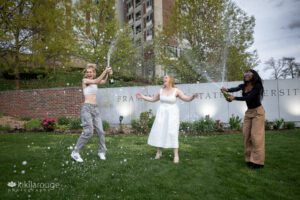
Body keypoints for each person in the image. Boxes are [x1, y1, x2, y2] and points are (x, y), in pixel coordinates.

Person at [136, 75, 197, 164]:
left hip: (172, 114)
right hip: (161, 114)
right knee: (159, 131)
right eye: (163, 78)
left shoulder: (176, 91)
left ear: (170, 80)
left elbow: (186, 98)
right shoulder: (161, 91)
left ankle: (176, 155)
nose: (164, 79)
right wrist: (142, 96)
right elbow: (153, 99)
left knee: (172, 132)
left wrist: (192, 97)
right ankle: (158, 152)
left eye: (166, 77)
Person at [221, 69, 265, 169]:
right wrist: (226, 90)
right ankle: (249, 159)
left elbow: (249, 97)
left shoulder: (257, 86)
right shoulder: (243, 86)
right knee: (246, 136)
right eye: (245, 73)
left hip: (258, 112)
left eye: (249, 73)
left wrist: (234, 98)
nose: (246, 75)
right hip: (249, 112)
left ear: (254, 75)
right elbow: (234, 88)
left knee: (256, 137)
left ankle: (258, 162)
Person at [71, 63, 112, 162]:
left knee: (101, 132)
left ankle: (101, 151)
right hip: (87, 108)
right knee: (88, 132)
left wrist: (108, 73)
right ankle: (75, 152)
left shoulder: (94, 82)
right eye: (87, 72)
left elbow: (103, 81)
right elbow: (97, 80)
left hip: (95, 108)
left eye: (91, 72)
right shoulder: (85, 81)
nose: (89, 73)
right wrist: (105, 71)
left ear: (93, 73)